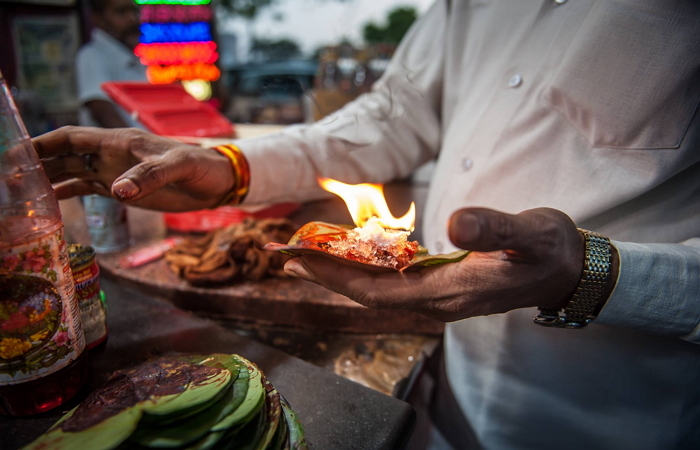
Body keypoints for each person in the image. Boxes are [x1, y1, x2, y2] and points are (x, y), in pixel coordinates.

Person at [35, 1, 700, 449]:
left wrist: (590, 273)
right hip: (449, 386)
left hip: (621, 414)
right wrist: (229, 165)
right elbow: (392, 115)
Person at [76, 0, 144, 129]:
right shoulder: (92, 55)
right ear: (98, 19)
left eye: (135, 11)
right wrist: (140, 145)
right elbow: (101, 108)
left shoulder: (134, 57)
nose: (132, 19)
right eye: (121, 12)